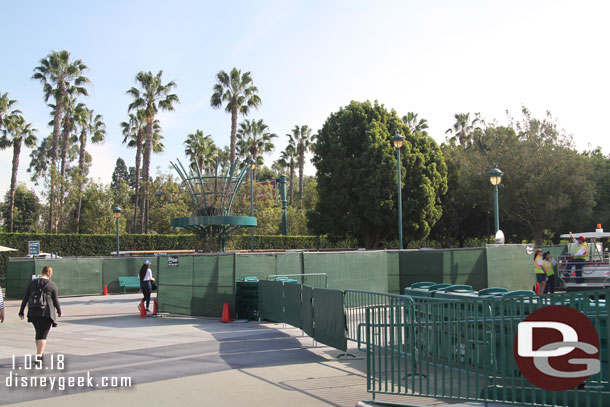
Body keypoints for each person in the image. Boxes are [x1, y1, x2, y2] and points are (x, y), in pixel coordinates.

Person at [18, 266, 61, 357]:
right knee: (43, 335)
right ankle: (39, 356)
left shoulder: (32, 283)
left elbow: (25, 298)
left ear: (42, 272)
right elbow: (55, 300)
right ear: (49, 273)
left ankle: (40, 353)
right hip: (46, 313)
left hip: (33, 312)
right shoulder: (52, 285)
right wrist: (59, 311)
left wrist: (21, 311)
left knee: (38, 333)